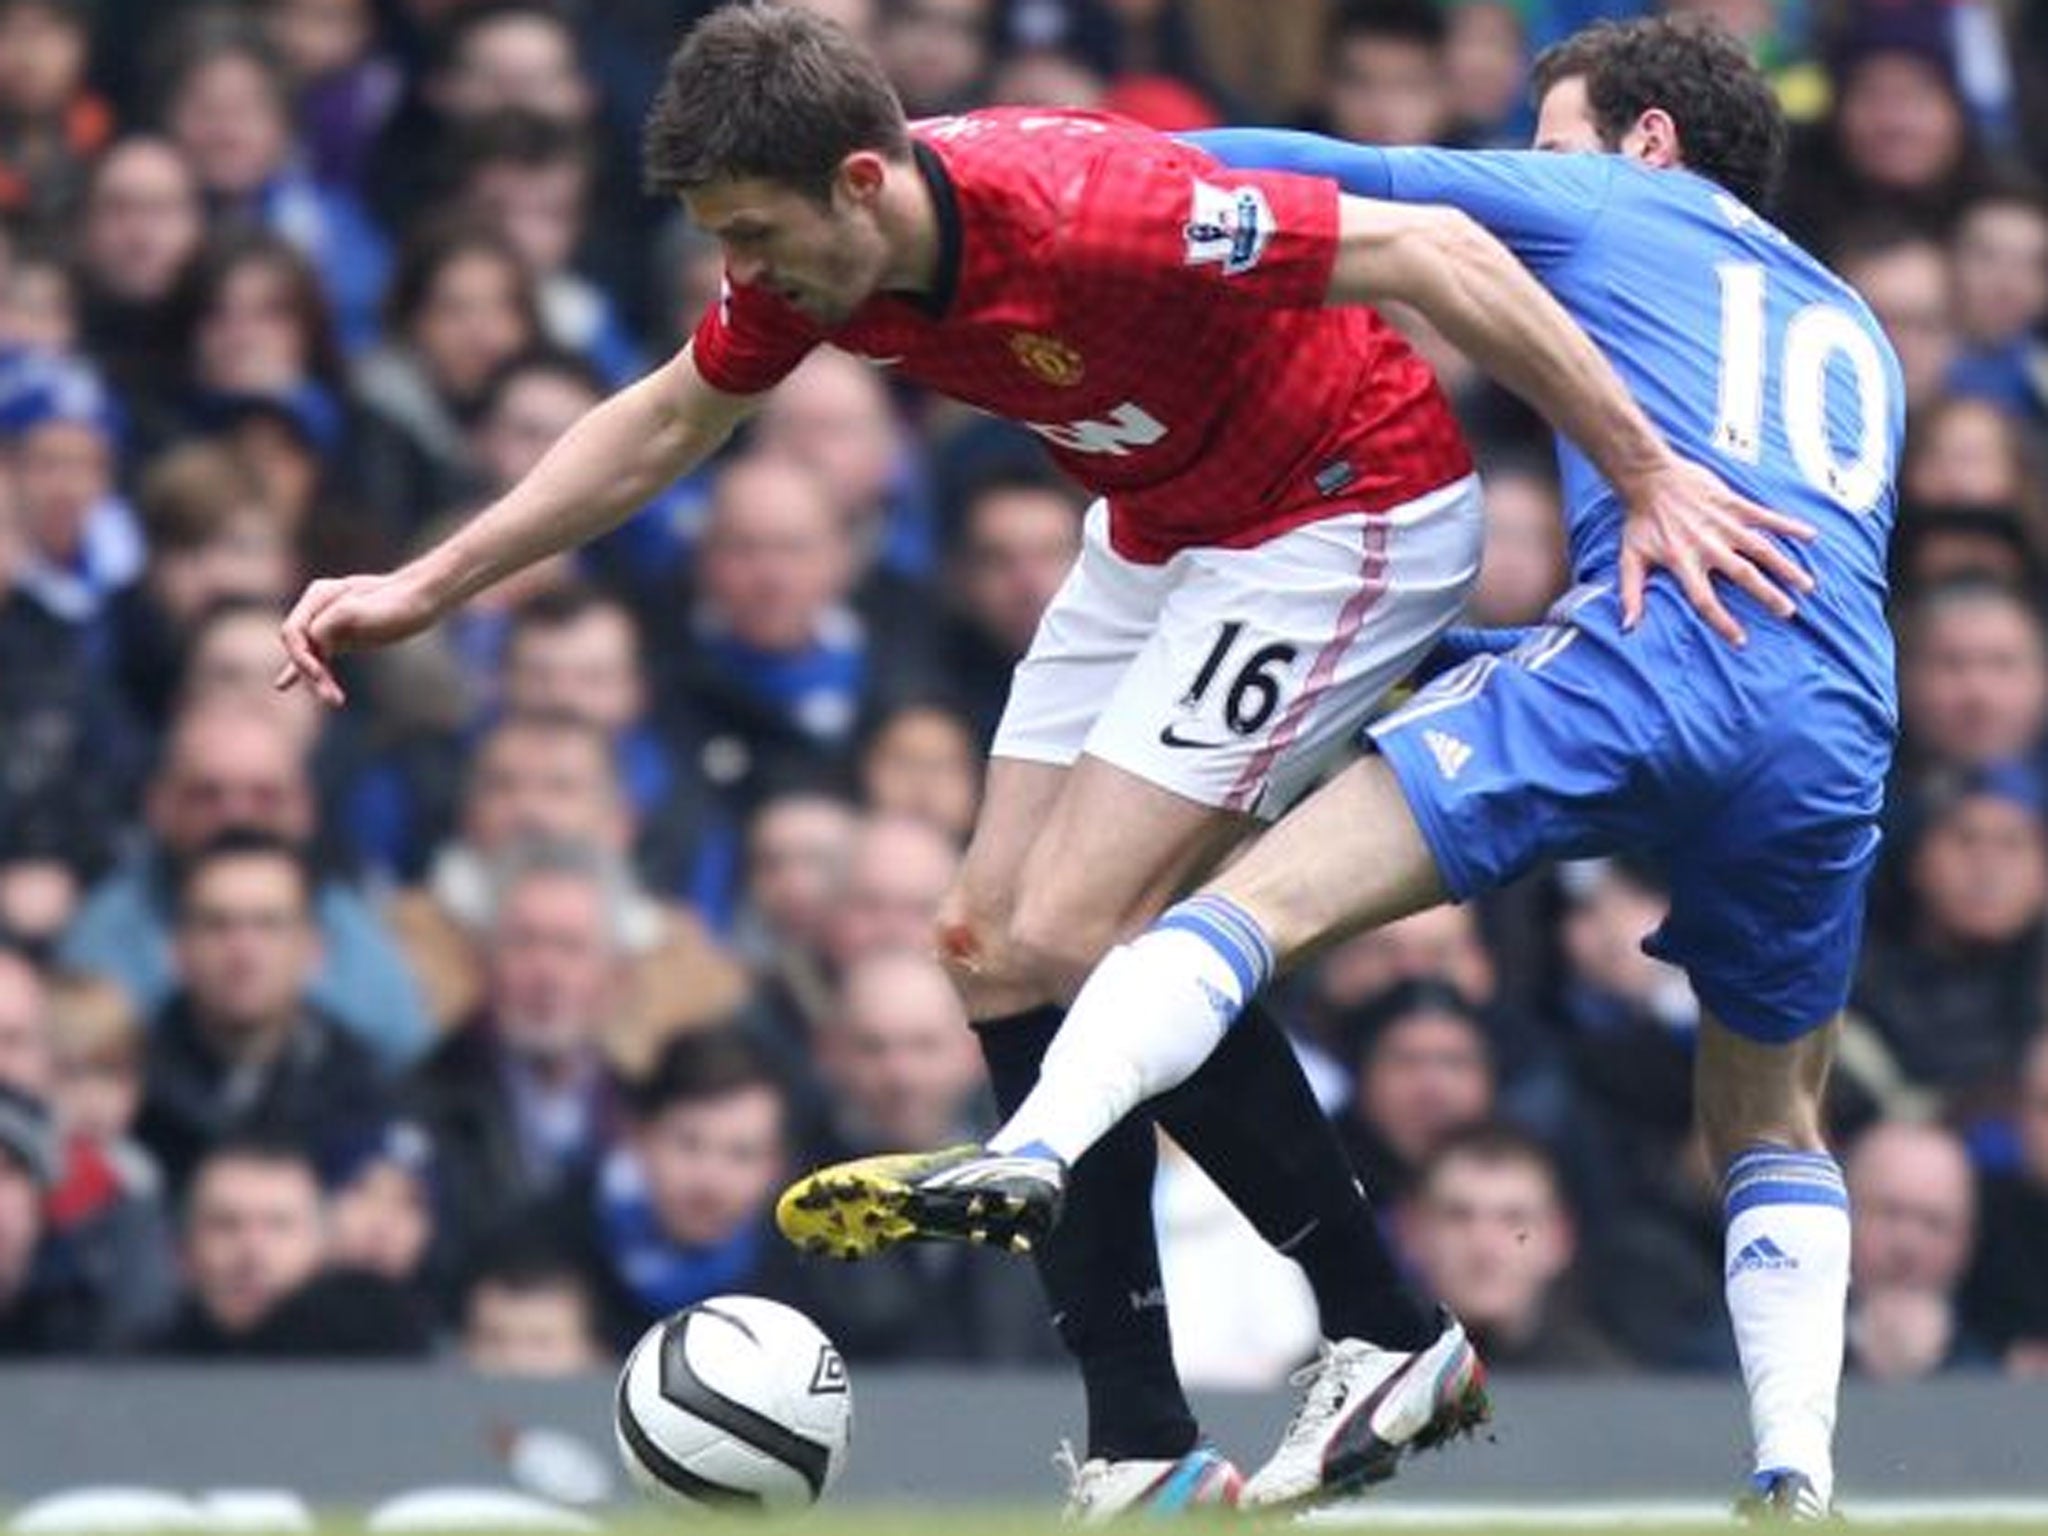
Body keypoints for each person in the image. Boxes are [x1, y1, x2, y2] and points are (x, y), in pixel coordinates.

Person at [276, 6, 1801, 1515]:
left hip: (1346, 508)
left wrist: (1647, 475)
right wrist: (424, 585)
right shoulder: (821, 262)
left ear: (862, 181)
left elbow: (1437, 254)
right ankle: (1153, 1436)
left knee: (1082, 932)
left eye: (755, 235)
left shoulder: (1088, 204)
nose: (743, 276)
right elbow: (666, 420)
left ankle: (1386, 1335)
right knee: (992, 950)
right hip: (1160, 529)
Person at [797, 17, 1897, 1521]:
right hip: (1835, 720)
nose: (1535, 164)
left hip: (1649, 654)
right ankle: (1799, 1477)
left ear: (1646, 142)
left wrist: (983, 180)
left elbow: (1318, 180)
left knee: (1236, 907)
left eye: (1553, 137)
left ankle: (1036, 1152)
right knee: (1772, 1113)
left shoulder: (1619, 201)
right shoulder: (1861, 331)